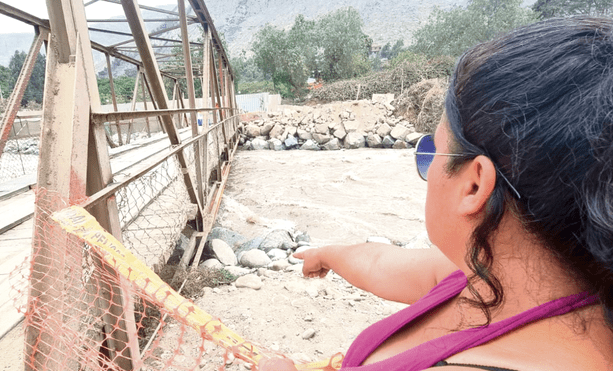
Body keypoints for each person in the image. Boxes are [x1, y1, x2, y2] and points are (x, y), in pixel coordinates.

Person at [259, 15, 613, 371]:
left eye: (432, 151)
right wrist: (327, 255)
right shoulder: (496, 271)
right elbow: (382, 264)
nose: (426, 167)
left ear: (474, 185)